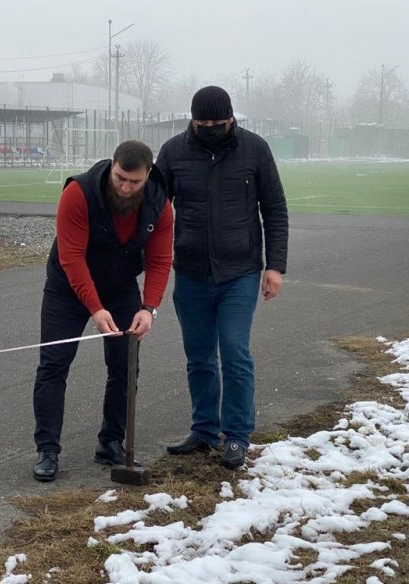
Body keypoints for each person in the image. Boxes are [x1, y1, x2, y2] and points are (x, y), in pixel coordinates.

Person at [155, 86, 289, 470]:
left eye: (218, 122)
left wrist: (275, 265)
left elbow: (275, 209)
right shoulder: (174, 152)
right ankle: (204, 430)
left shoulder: (255, 150)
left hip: (240, 272)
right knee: (199, 357)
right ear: (193, 120)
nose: (210, 128)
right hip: (192, 271)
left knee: (234, 352)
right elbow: (154, 206)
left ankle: (237, 436)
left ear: (231, 118)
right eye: (202, 123)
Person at [31, 140, 173, 482]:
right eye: (120, 177)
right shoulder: (78, 193)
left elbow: (159, 260)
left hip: (121, 286)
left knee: (125, 366)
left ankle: (110, 442)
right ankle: (47, 449)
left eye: (134, 182)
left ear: (148, 176)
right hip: (68, 287)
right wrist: (95, 308)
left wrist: (148, 308)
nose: (125, 188)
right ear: (112, 165)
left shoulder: (160, 205)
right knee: (54, 364)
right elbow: (72, 258)